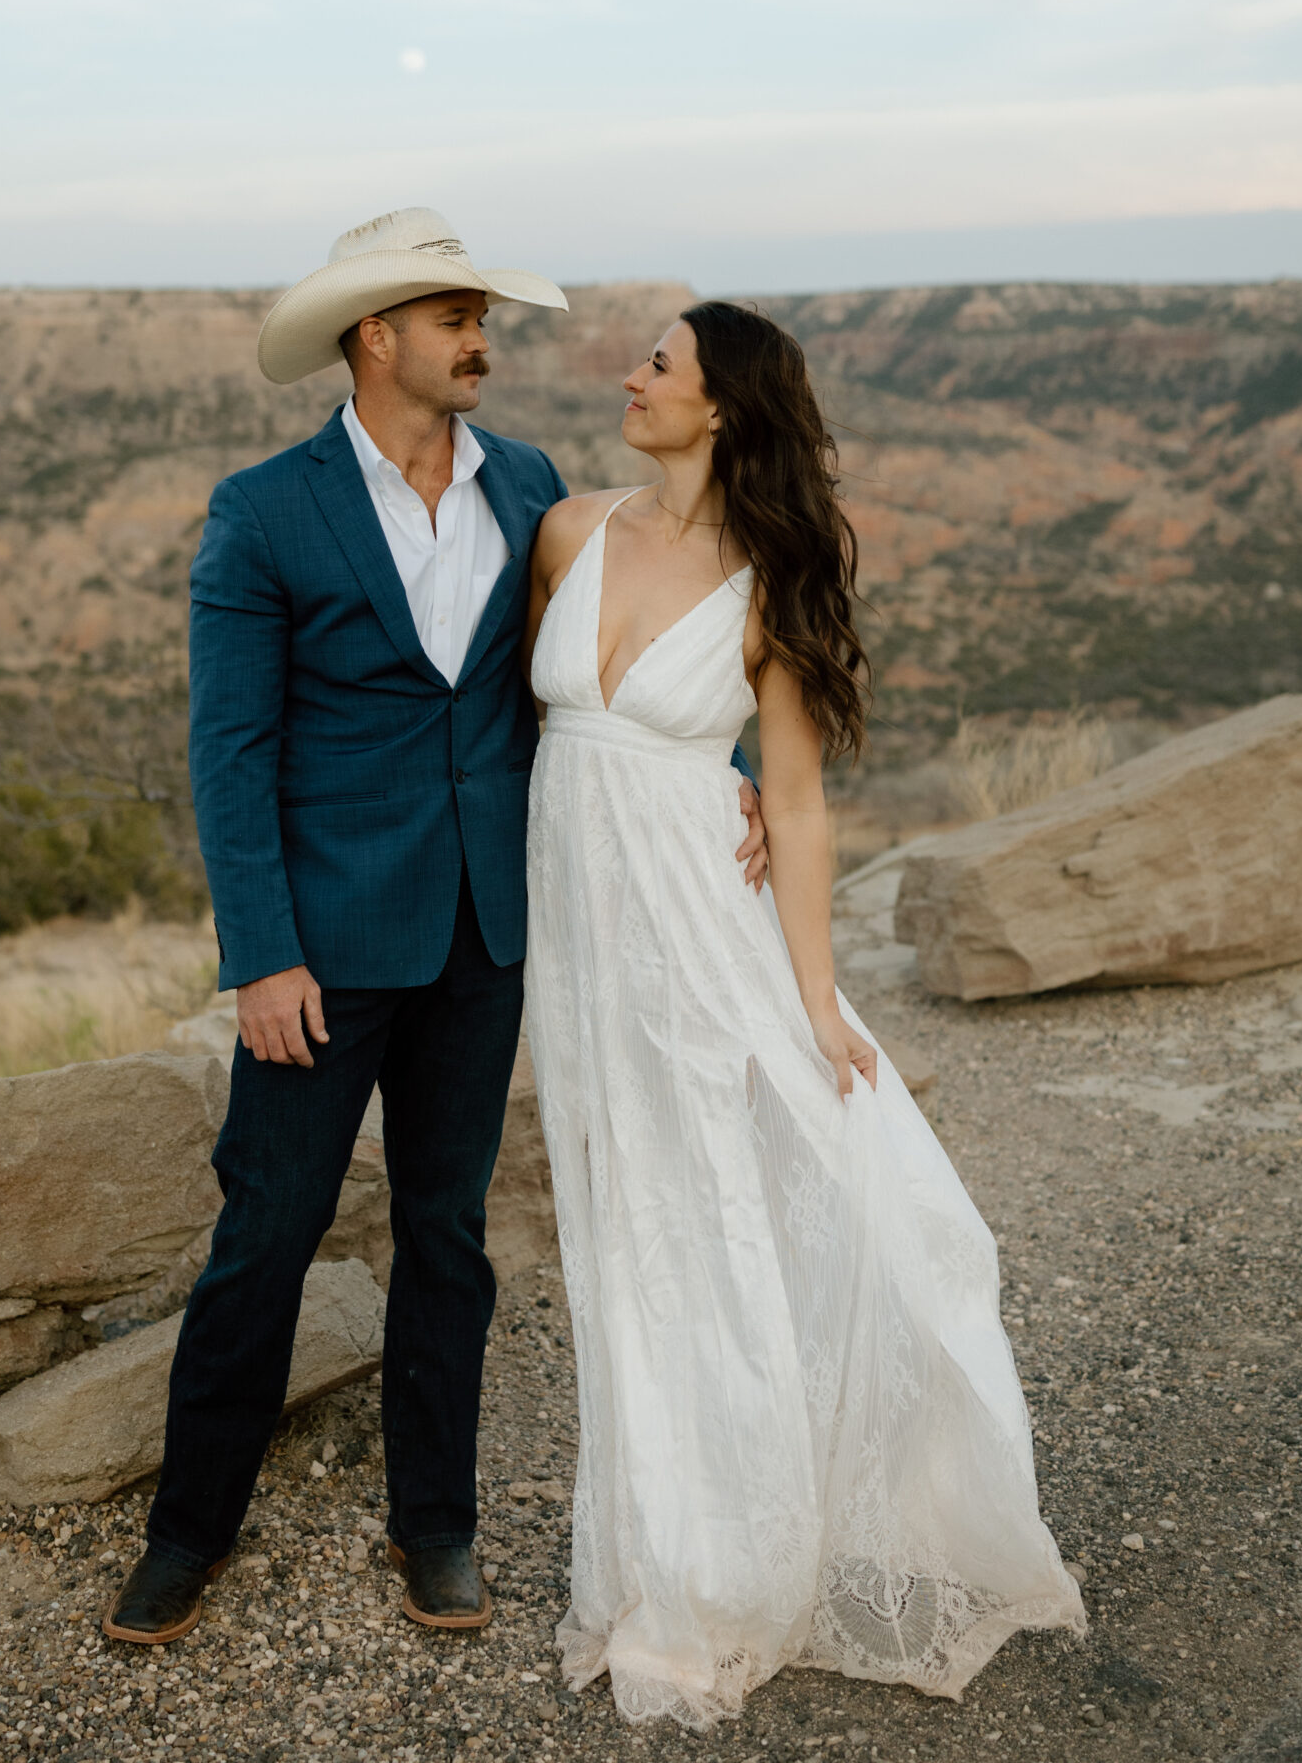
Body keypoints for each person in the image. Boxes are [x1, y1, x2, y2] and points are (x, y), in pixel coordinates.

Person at [103, 211, 767, 1648]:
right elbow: (231, 752)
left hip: (485, 933)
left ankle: (438, 1526)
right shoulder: (264, 510)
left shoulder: (529, 486)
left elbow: (635, 649)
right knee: (265, 1237)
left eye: (484, 317)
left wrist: (746, 778)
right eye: (452, 317)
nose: (481, 341)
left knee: (448, 1238)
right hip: (321, 954)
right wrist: (262, 953)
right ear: (374, 337)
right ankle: (187, 1532)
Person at [522, 301, 1085, 1728]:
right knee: (620, 1236)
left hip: (700, 937)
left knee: (714, 1222)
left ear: (721, 407)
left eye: (660, 363)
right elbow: (522, 736)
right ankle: (656, 1543)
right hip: (580, 943)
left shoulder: (769, 579)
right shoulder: (567, 533)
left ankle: (725, 1570)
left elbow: (802, 798)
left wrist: (820, 998)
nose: (630, 377)